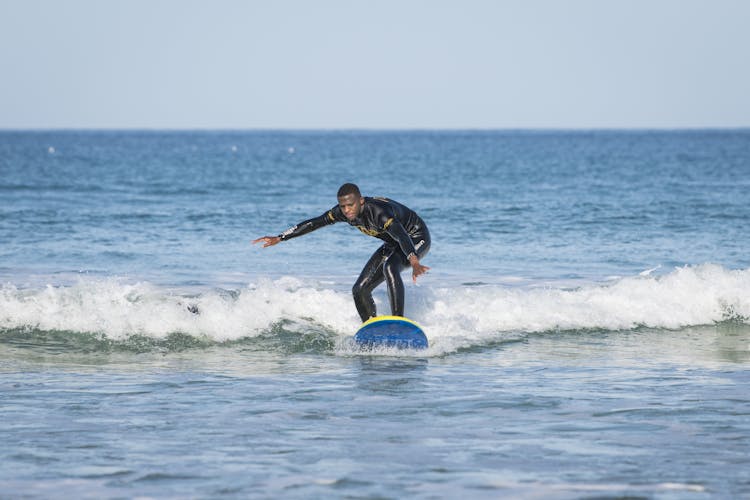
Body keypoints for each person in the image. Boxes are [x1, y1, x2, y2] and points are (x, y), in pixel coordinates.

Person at [253, 183, 431, 322]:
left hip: (415, 237)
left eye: (350, 205)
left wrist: (414, 262)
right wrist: (280, 237)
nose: (346, 211)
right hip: (392, 243)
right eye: (343, 206)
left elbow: (401, 236)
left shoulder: (379, 214)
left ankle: (398, 322)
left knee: (390, 267)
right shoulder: (342, 213)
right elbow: (315, 223)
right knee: (359, 290)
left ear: (360, 201)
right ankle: (371, 328)